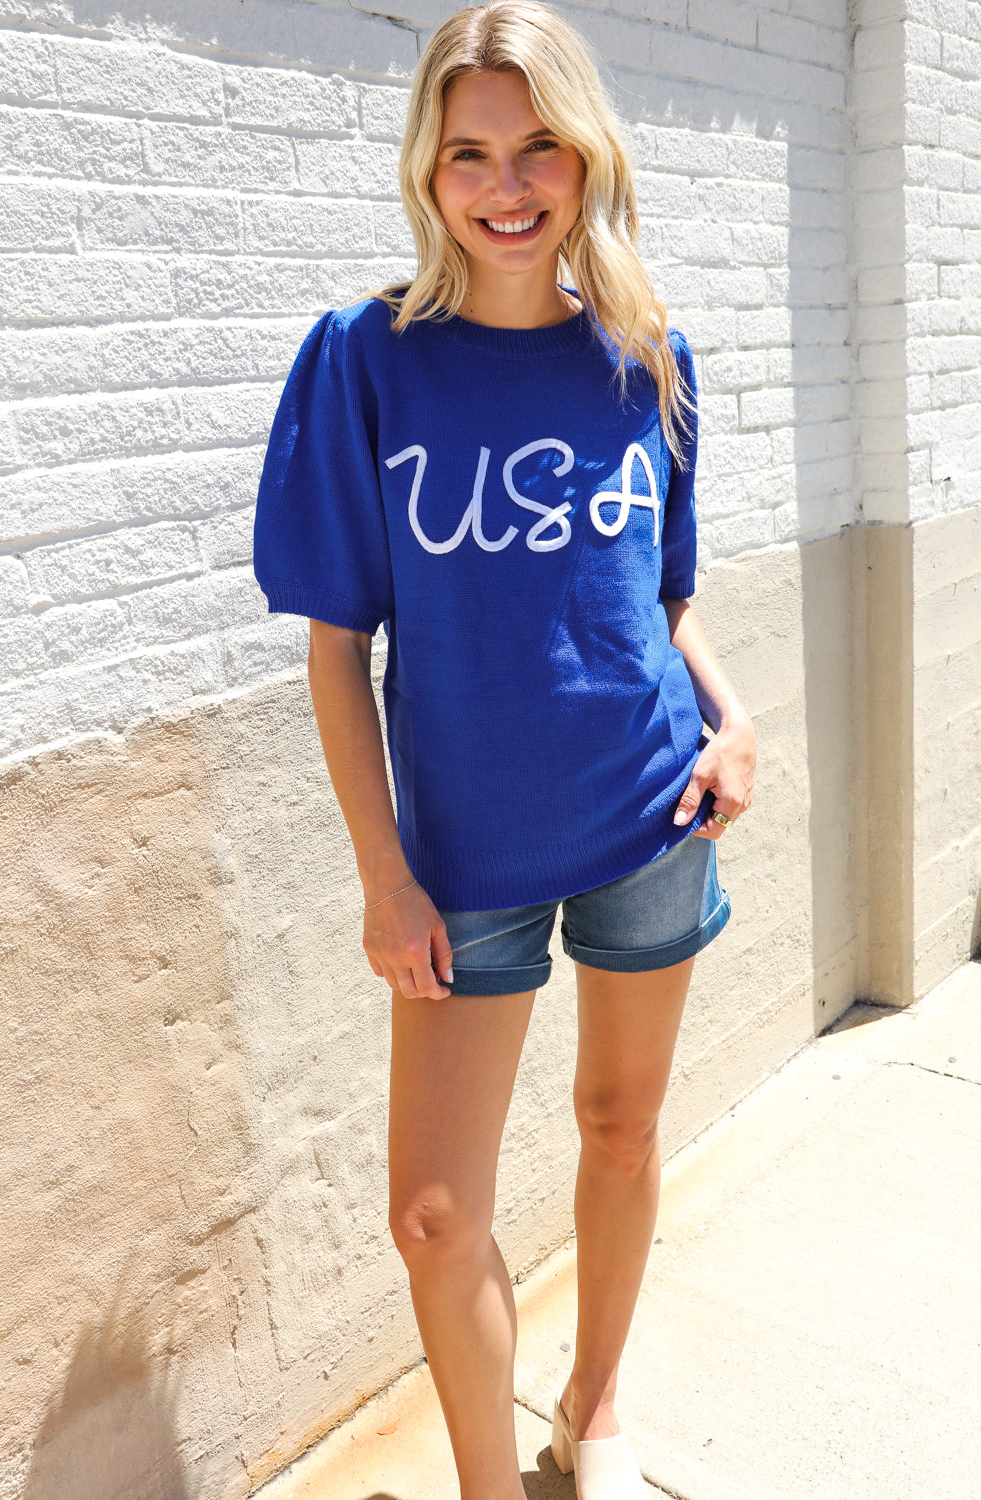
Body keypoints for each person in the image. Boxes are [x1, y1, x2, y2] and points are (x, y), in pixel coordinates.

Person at [252, 4, 756, 1496]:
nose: (507, 183)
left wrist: (737, 718)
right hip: (461, 857)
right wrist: (384, 874)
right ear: (428, 168)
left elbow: (660, 595)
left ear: (587, 154)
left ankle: (593, 1410)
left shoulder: (645, 359)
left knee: (621, 1122)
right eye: (469, 151)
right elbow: (337, 643)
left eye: (539, 143)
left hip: (652, 813)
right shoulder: (364, 360)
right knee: (432, 1213)